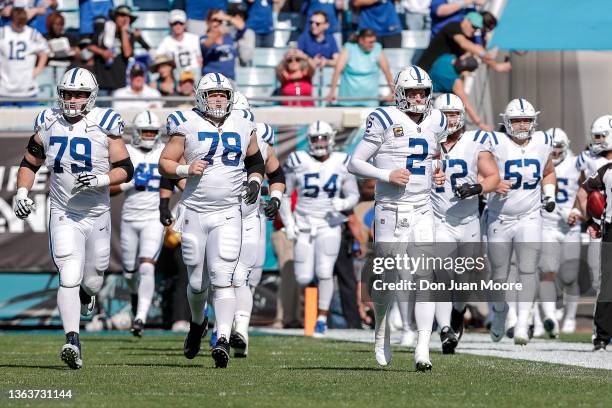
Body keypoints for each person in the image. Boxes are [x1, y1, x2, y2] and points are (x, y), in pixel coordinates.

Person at [12, 67, 132, 369]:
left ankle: (86, 294)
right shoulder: (48, 120)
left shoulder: (105, 122)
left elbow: (126, 168)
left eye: (79, 94)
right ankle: (72, 339)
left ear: (91, 97)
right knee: (69, 273)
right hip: (65, 212)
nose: (72, 99)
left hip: (97, 212)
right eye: (67, 93)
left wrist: (102, 180)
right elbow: (29, 163)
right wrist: (22, 193)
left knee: (93, 278)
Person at [158, 72, 266, 368]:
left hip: (229, 212)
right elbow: (164, 163)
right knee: (196, 281)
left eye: (223, 94)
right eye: (213, 94)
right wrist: (185, 170)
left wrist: (255, 180)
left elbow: (256, 161)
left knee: (223, 276)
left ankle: (221, 338)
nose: (219, 100)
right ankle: (197, 323)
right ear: (201, 97)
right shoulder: (186, 122)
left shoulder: (244, 122)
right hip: (194, 210)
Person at [347, 65, 448, 371]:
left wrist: (438, 171)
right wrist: (386, 173)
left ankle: (422, 347)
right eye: (412, 92)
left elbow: (433, 155)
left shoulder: (437, 119)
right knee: (387, 278)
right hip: (390, 208)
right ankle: (381, 329)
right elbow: (354, 163)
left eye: (423, 92)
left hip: (422, 207)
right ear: (400, 93)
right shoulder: (385, 119)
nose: (418, 98)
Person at [430, 93, 499, 353]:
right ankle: (445, 328)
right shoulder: (424, 140)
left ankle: (458, 313)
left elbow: (493, 176)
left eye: (454, 114)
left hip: (469, 220)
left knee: (464, 280)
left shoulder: (475, 141)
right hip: (438, 218)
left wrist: (477, 187)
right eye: (445, 114)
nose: (450, 120)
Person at [486, 98, 557, 345]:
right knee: (499, 275)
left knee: (528, 268)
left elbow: (548, 172)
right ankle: (499, 314)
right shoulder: (494, 142)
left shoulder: (543, 142)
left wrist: (549, 195)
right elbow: (478, 171)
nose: (522, 125)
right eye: (516, 120)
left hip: (529, 215)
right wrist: (492, 183)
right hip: (499, 216)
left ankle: (523, 323)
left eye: (526, 119)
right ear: (506, 122)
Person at [280, 120, 360, 336]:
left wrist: (343, 204)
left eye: (323, 137)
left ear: (331, 138)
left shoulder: (342, 161)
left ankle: (322, 319)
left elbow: (354, 194)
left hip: (329, 224)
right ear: (309, 140)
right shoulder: (298, 160)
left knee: (325, 272)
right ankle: (312, 314)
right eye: (315, 138)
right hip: (304, 224)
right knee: (303, 277)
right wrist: (288, 222)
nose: (319, 142)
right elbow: (285, 194)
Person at [230, 91, 285, 357]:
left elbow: (276, 173)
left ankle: (240, 330)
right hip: (218, 215)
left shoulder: (260, 138)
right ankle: (220, 326)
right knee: (216, 277)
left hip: (250, 215)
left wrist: (275, 197)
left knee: (246, 276)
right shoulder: (209, 136)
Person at [109, 111, 165, 338]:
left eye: (153, 132)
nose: (150, 136)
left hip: (153, 217)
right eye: (146, 132)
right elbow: (107, 187)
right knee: (130, 272)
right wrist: (127, 184)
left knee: (147, 266)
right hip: (130, 217)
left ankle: (140, 318)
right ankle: (135, 297)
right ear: (137, 133)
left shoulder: (164, 152)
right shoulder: (127, 152)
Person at [569, 115, 612, 350]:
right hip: (607, 226)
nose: (597, 141)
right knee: (604, 282)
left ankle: (602, 335)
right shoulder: (601, 167)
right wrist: (589, 219)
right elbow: (584, 191)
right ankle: (602, 334)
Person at [536, 128, 581, 337]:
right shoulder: (537, 162)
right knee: (547, 271)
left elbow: (585, 189)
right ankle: (550, 316)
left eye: (558, 149)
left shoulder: (577, 163)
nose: (554, 153)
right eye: (551, 149)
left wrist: (577, 210)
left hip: (570, 226)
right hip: (547, 225)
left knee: (570, 277)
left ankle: (570, 317)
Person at [89, 5, 150, 96]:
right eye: (121, 15)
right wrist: (102, 52)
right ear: (115, 17)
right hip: (101, 83)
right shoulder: (104, 29)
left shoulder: (130, 35)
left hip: (120, 85)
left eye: (127, 16)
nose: (124, 18)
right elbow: (90, 46)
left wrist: (124, 31)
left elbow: (127, 54)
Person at [327, 29, 393, 107]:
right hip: (347, 102)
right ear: (361, 40)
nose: (373, 44)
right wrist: (332, 92)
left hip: (370, 103)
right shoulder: (349, 48)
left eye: (374, 41)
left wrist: (392, 92)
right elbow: (337, 70)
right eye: (370, 42)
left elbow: (387, 72)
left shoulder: (377, 48)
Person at [0, 7, 49, 107]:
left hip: (27, 90)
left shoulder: (32, 34)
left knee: (30, 121)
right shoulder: (3, 33)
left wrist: (38, 69)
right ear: (12, 19)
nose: (20, 25)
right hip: (4, 89)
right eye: (17, 22)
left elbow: (44, 52)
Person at [429, 54, 492, 130]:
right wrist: (480, 124)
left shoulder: (446, 58)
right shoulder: (455, 82)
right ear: (465, 71)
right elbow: (467, 105)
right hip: (435, 98)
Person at [155, 9, 203, 77]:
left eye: (181, 23)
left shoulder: (194, 38)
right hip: (177, 74)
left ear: (185, 24)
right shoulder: (166, 41)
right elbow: (157, 57)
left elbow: (200, 59)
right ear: (170, 24)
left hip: (194, 73)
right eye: (175, 23)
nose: (178, 26)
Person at [200, 9, 242, 81]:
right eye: (214, 20)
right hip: (211, 80)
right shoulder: (203, 38)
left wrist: (226, 17)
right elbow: (205, 46)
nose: (217, 23)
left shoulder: (228, 37)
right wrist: (218, 32)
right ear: (208, 22)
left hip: (229, 79)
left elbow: (242, 27)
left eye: (220, 21)